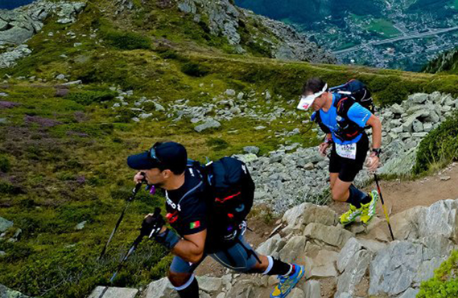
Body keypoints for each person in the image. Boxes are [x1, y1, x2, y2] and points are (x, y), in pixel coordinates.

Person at [127, 142, 304, 298]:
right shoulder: (180, 170)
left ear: (166, 173)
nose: (141, 171)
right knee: (178, 275)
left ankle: (291, 272)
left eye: (147, 168)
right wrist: (149, 180)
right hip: (194, 233)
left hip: (216, 239)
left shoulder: (191, 204)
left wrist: (163, 234)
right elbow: (173, 187)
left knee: (251, 264)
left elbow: (195, 251)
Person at [298, 77, 383, 225]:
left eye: (313, 101)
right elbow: (331, 127)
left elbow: (376, 122)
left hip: (355, 148)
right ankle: (359, 205)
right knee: (334, 186)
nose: (311, 105)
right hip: (338, 146)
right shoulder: (319, 111)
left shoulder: (347, 106)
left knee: (337, 194)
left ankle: (368, 201)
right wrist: (327, 141)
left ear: (323, 95)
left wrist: (375, 153)